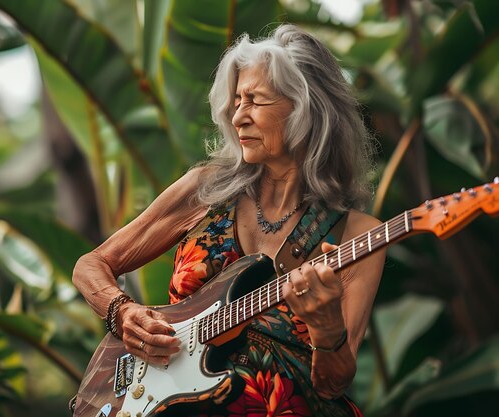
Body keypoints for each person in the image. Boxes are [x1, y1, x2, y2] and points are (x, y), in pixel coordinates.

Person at [72, 24, 385, 417]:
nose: (238, 117)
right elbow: (91, 265)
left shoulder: (359, 234)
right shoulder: (205, 190)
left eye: (255, 100)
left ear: (307, 108)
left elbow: (334, 382)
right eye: (236, 101)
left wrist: (326, 330)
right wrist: (122, 311)